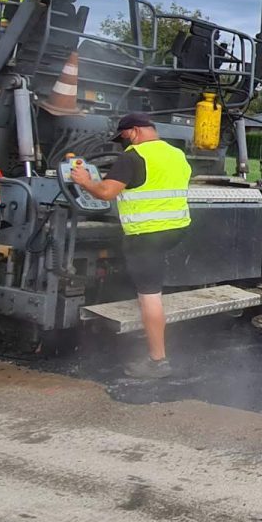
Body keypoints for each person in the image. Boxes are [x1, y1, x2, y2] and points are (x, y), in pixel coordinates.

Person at [70, 113, 191, 379]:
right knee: (150, 284)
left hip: (146, 235)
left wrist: (84, 180)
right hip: (174, 230)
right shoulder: (176, 154)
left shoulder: (133, 157)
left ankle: (157, 362)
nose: (122, 143)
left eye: (123, 136)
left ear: (134, 131)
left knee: (149, 295)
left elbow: (105, 193)